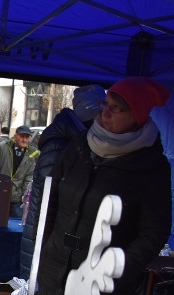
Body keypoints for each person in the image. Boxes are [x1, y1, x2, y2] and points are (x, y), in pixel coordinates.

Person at [29, 77, 172, 295]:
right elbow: (51, 202)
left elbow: (155, 231)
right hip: (52, 282)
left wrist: (115, 270)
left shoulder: (151, 167)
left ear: (137, 116)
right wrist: (45, 245)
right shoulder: (81, 145)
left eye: (116, 108)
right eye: (105, 103)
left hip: (100, 293)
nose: (105, 111)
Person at [19, 85, 106, 279]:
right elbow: (52, 201)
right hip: (48, 242)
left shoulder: (78, 143)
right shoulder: (62, 146)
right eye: (102, 107)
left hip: (54, 241)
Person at [0, 124, 38, 219]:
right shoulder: (3, 147)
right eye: (22, 136)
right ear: (15, 136)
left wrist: (24, 198)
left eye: (27, 137)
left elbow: (28, 178)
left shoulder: (31, 154)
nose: (24, 140)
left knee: (16, 225)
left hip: (16, 199)